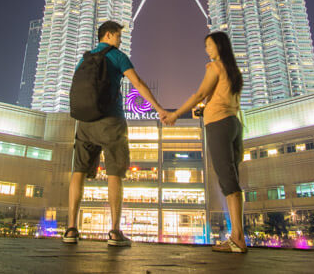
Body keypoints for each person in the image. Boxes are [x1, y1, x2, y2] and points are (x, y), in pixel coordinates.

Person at [63, 20, 167, 247]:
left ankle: (71, 228)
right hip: (111, 120)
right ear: (109, 35)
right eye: (119, 35)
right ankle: (114, 231)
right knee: (114, 173)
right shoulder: (117, 56)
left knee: (78, 171)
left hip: (84, 122)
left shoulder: (85, 57)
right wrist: (158, 109)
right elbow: (137, 83)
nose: (121, 40)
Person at [162, 31, 247, 253]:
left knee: (228, 182)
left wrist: (175, 114)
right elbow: (223, 99)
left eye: (209, 45)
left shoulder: (215, 67)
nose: (206, 49)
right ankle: (238, 236)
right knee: (233, 179)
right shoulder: (234, 71)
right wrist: (206, 108)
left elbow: (200, 93)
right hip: (234, 124)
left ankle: (237, 238)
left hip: (218, 124)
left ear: (220, 46)